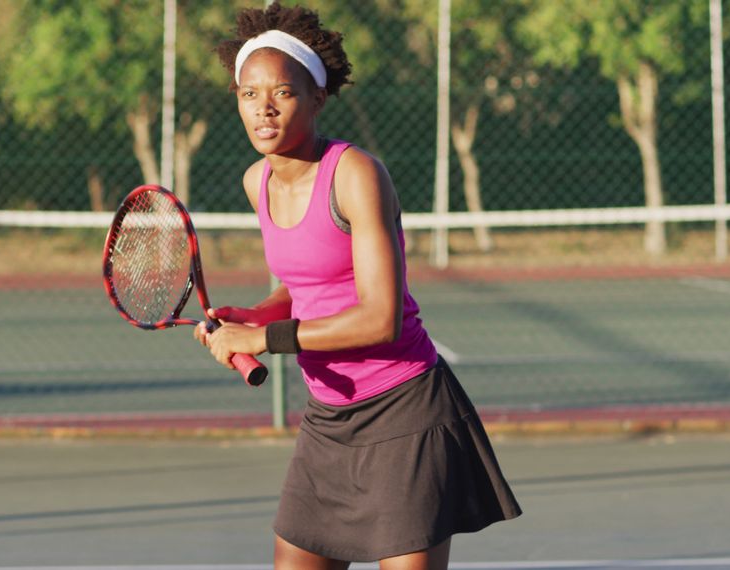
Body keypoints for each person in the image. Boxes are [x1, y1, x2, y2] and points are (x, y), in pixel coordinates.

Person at [193, 3, 522, 569]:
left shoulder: (356, 175)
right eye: (248, 94)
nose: (263, 109)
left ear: (318, 97)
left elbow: (379, 318)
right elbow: (302, 286)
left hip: (406, 415)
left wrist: (263, 341)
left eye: (282, 92)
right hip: (328, 420)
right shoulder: (258, 182)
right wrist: (255, 314)